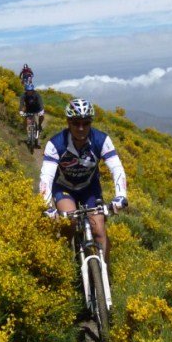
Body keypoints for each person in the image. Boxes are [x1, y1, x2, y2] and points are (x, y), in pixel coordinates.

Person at [38, 98, 128, 264]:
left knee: (99, 231)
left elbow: (117, 168)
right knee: (69, 224)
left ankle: (105, 279)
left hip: (89, 188)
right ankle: (64, 266)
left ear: (91, 123)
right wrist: (46, 206)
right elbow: (46, 177)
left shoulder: (101, 140)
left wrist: (121, 196)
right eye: (76, 123)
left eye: (85, 123)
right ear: (68, 122)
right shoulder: (56, 144)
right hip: (64, 188)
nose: (81, 128)